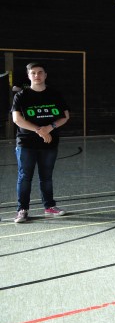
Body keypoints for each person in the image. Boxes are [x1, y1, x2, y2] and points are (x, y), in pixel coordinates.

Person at [11, 62, 70, 223]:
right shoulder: (21, 96)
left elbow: (65, 116)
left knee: (46, 177)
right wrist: (40, 130)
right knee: (25, 177)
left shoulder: (55, 94)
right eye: (33, 73)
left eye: (40, 72)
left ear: (45, 75)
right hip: (26, 143)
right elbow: (17, 119)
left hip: (49, 142)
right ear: (29, 76)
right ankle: (22, 210)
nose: (37, 75)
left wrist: (49, 128)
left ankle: (49, 206)